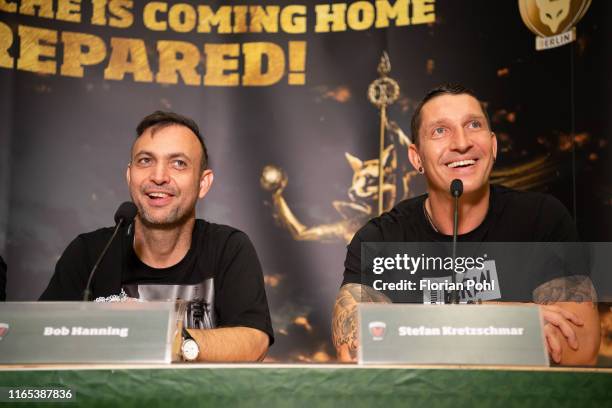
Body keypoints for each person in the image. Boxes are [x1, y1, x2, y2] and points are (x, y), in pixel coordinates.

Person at [332, 84, 599, 365]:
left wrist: (413, 331)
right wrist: (503, 318)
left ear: (493, 146)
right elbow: (355, 348)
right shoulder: (380, 239)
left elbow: (580, 348)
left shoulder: (543, 218)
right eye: (440, 130)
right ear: (416, 157)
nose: (461, 142)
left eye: (473, 125)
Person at [41, 111, 273, 362]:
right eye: (145, 161)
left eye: (178, 163)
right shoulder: (89, 253)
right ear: (130, 176)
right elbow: (40, 339)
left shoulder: (229, 248)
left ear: (203, 183)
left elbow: (254, 341)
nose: (159, 176)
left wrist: (164, 337)